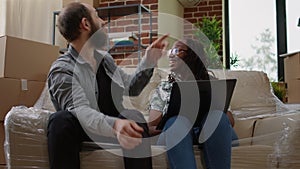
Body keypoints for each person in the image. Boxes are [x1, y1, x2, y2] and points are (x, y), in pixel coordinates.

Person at [47, 2, 169, 169]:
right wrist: (114, 125)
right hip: (84, 132)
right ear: (86, 23)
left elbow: (131, 88)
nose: (103, 22)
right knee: (59, 120)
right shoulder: (62, 69)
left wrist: (149, 61)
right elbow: (80, 111)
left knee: (133, 116)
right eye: (97, 15)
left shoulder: (104, 59)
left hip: (117, 132)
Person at [148, 38, 238, 169]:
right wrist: (174, 119)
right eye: (170, 51)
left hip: (211, 132)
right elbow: (151, 127)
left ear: (192, 56)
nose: (171, 54)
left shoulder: (213, 85)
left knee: (217, 117)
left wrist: (215, 106)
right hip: (177, 134)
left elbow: (230, 121)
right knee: (177, 122)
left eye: (176, 50)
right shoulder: (165, 88)